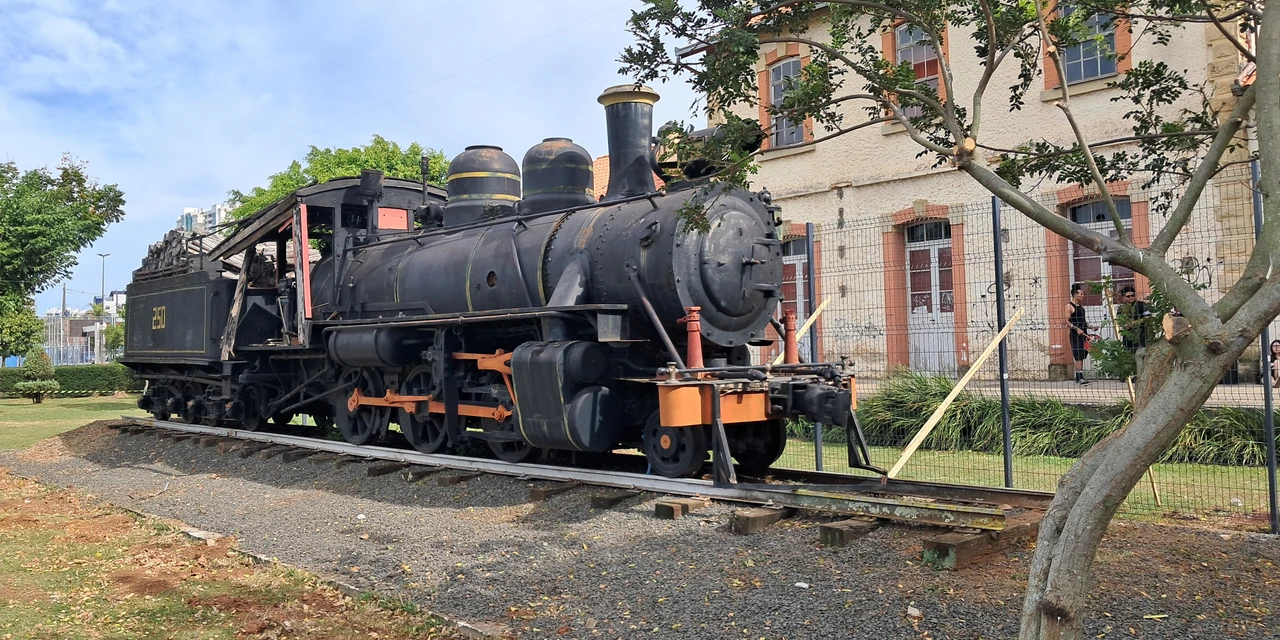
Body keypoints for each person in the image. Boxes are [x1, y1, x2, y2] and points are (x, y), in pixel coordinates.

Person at [1068, 283, 1096, 385]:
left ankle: (1080, 376)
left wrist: (1091, 327)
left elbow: (1082, 321)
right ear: (1075, 295)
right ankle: (1079, 378)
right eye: (1081, 294)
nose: (1083, 296)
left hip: (1084, 333)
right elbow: (1066, 321)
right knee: (1078, 355)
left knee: (1083, 354)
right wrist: (1076, 329)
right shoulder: (1069, 306)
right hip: (1075, 335)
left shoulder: (1081, 307)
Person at [1116, 285, 1150, 353]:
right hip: (1128, 336)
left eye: (1132, 295)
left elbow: (1148, 317)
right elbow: (1119, 322)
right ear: (1123, 298)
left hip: (1141, 334)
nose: (1131, 297)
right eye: (1128, 296)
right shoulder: (1121, 308)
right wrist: (1126, 324)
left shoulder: (1141, 305)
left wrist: (1136, 322)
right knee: (1129, 355)